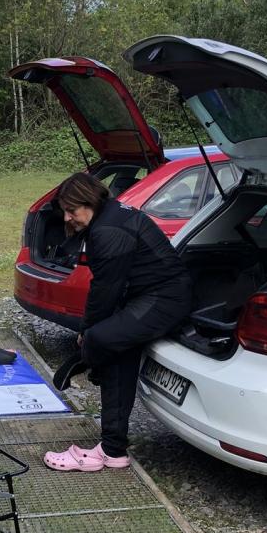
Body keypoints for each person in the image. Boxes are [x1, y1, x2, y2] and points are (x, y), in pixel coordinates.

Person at [44, 172, 193, 472]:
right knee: (117, 347)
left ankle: (88, 366)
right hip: (146, 294)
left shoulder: (108, 231)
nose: (67, 218)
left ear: (89, 201)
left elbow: (105, 290)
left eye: (72, 211)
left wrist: (86, 333)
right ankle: (113, 451)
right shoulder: (109, 215)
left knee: (102, 339)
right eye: (64, 212)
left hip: (166, 298)